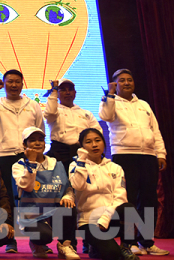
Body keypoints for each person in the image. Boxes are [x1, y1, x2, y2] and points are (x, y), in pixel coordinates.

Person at [99, 69, 168, 256]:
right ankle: (128, 242)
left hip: (148, 156)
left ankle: (147, 242)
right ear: (115, 84)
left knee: (149, 200)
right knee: (127, 200)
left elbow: (155, 131)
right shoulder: (110, 101)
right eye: (122, 80)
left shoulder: (144, 105)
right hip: (124, 155)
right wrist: (110, 95)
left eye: (129, 79)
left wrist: (160, 154)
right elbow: (106, 116)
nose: (127, 83)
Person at [0, 69, 44, 253]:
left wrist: (38, 153)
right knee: (8, 197)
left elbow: (40, 130)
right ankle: (11, 240)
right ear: (4, 83)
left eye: (17, 81)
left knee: (32, 196)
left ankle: (37, 240)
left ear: (22, 83)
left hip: (29, 155)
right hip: (6, 155)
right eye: (10, 81)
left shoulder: (33, 105)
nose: (14, 85)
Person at [69, 128, 140, 260]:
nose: (94, 145)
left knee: (128, 208)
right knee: (112, 254)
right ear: (82, 146)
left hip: (110, 218)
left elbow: (120, 197)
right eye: (88, 142)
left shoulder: (115, 168)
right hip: (89, 221)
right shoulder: (75, 165)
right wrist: (81, 161)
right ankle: (95, 247)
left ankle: (126, 246)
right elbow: (78, 186)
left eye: (98, 140)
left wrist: (106, 217)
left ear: (103, 142)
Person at [12, 127, 78, 259]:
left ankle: (64, 245)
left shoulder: (57, 164)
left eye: (41, 140)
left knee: (69, 207)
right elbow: (27, 187)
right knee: (44, 236)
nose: (37, 143)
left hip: (53, 212)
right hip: (32, 216)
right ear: (24, 144)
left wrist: (67, 197)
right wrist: (31, 162)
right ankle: (36, 243)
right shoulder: (19, 166)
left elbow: (67, 188)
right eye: (32, 140)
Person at [43, 79, 102, 176]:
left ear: (75, 93)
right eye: (63, 90)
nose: (67, 92)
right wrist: (54, 90)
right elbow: (50, 113)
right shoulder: (54, 111)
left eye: (70, 89)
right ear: (57, 93)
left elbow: (98, 133)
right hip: (59, 153)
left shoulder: (86, 113)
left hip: (83, 152)